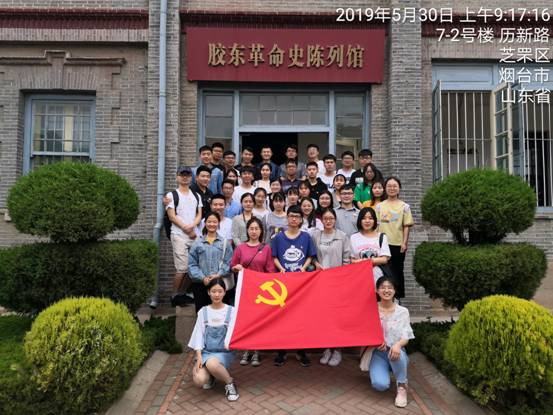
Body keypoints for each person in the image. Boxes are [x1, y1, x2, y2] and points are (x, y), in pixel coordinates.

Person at [271, 205, 317, 367]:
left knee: (300, 318)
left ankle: (301, 350)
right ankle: (281, 351)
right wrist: (281, 268)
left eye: (297, 216)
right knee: (282, 318)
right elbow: (274, 256)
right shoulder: (278, 237)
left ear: (301, 219)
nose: (293, 219)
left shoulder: (306, 237)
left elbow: (310, 256)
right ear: (287, 218)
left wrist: (304, 268)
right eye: (291, 216)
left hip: (301, 284)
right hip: (283, 284)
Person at [362, 276, 414, 408]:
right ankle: (385, 370)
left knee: (395, 353)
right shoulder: (370, 310)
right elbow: (364, 331)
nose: (386, 290)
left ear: (394, 290)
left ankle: (402, 385)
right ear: (376, 290)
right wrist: (374, 342)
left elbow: (406, 335)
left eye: (390, 287)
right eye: (383, 287)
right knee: (380, 385)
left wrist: (398, 345)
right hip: (378, 353)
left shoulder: (403, 312)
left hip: (397, 352)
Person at [231, 217, 276, 367]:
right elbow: (232, 266)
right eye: (251, 229)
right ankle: (246, 350)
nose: (254, 231)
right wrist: (237, 268)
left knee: (257, 321)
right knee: (246, 321)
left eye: (257, 229)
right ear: (247, 230)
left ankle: (256, 351)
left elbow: (270, 270)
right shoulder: (240, 248)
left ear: (261, 231)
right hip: (244, 290)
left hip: (260, 292)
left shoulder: (266, 249)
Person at [311, 208, 351, 367]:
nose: (328, 221)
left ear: (335, 220)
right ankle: (327, 348)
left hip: (337, 282)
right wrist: (316, 264)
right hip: (320, 281)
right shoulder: (316, 236)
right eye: (325, 218)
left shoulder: (342, 236)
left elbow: (347, 259)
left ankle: (338, 350)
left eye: (331, 218)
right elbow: (312, 256)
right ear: (322, 220)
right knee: (324, 316)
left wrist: (342, 278)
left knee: (337, 317)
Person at [188, 278, 240, 402]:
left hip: (224, 352)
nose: (217, 294)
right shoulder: (203, 312)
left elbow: (234, 332)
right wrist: (199, 357)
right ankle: (212, 375)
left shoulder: (231, 311)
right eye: (214, 291)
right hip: (206, 353)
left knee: (212, 364)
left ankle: (230, 383)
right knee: (199, 380)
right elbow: (198, 335)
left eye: (220, 291)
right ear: (208, 292)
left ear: (224, 292)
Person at [165, 166, 202, 307]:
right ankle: (174, 295)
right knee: (182, 267)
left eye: (187, 175)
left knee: (193, 267)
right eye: (182, 175)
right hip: (179, 235)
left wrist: (192, 226)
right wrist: (186, 228)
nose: (185, 177)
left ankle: (182, 293)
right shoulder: (171, 195)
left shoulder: (196, 195)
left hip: (193, 234)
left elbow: (199, 214)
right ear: (177, 177)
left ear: (191, 177)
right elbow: (172, 216)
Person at [375, 177, 414, 299]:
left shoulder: (404, 206)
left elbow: (406, 226)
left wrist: (404, 242)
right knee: (382, 271)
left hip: (397, 244)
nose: (392, 188)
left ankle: (397, 298)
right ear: (385, 188)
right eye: (389, 186)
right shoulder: (379, 206)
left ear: (399, 188)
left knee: (397, 271)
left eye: (394, 186)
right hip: (382, 245)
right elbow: (376, 226)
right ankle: (382, 298)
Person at [188, 212, 233, 312]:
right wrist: (203, 278)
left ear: (218, 223)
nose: (212, 224)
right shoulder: (197, 243)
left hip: (219, 284)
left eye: (214, 222)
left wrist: (218, 275)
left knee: (220, 313)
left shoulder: (224, 243)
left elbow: (229, 262)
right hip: (200, 285)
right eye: (209, 222)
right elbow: (192, 264)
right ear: (205, 223)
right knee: (202, 312)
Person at [350, 207, 391, 286]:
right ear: (360, 220)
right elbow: (351, 260)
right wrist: (371, 261)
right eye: (364, 218)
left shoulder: (382, 237)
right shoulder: (353, 237)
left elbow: (384, 259)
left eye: (370, 218)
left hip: (377, 277)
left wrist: (364, 261)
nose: (367, 221)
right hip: (358, 277)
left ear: (374, 220)